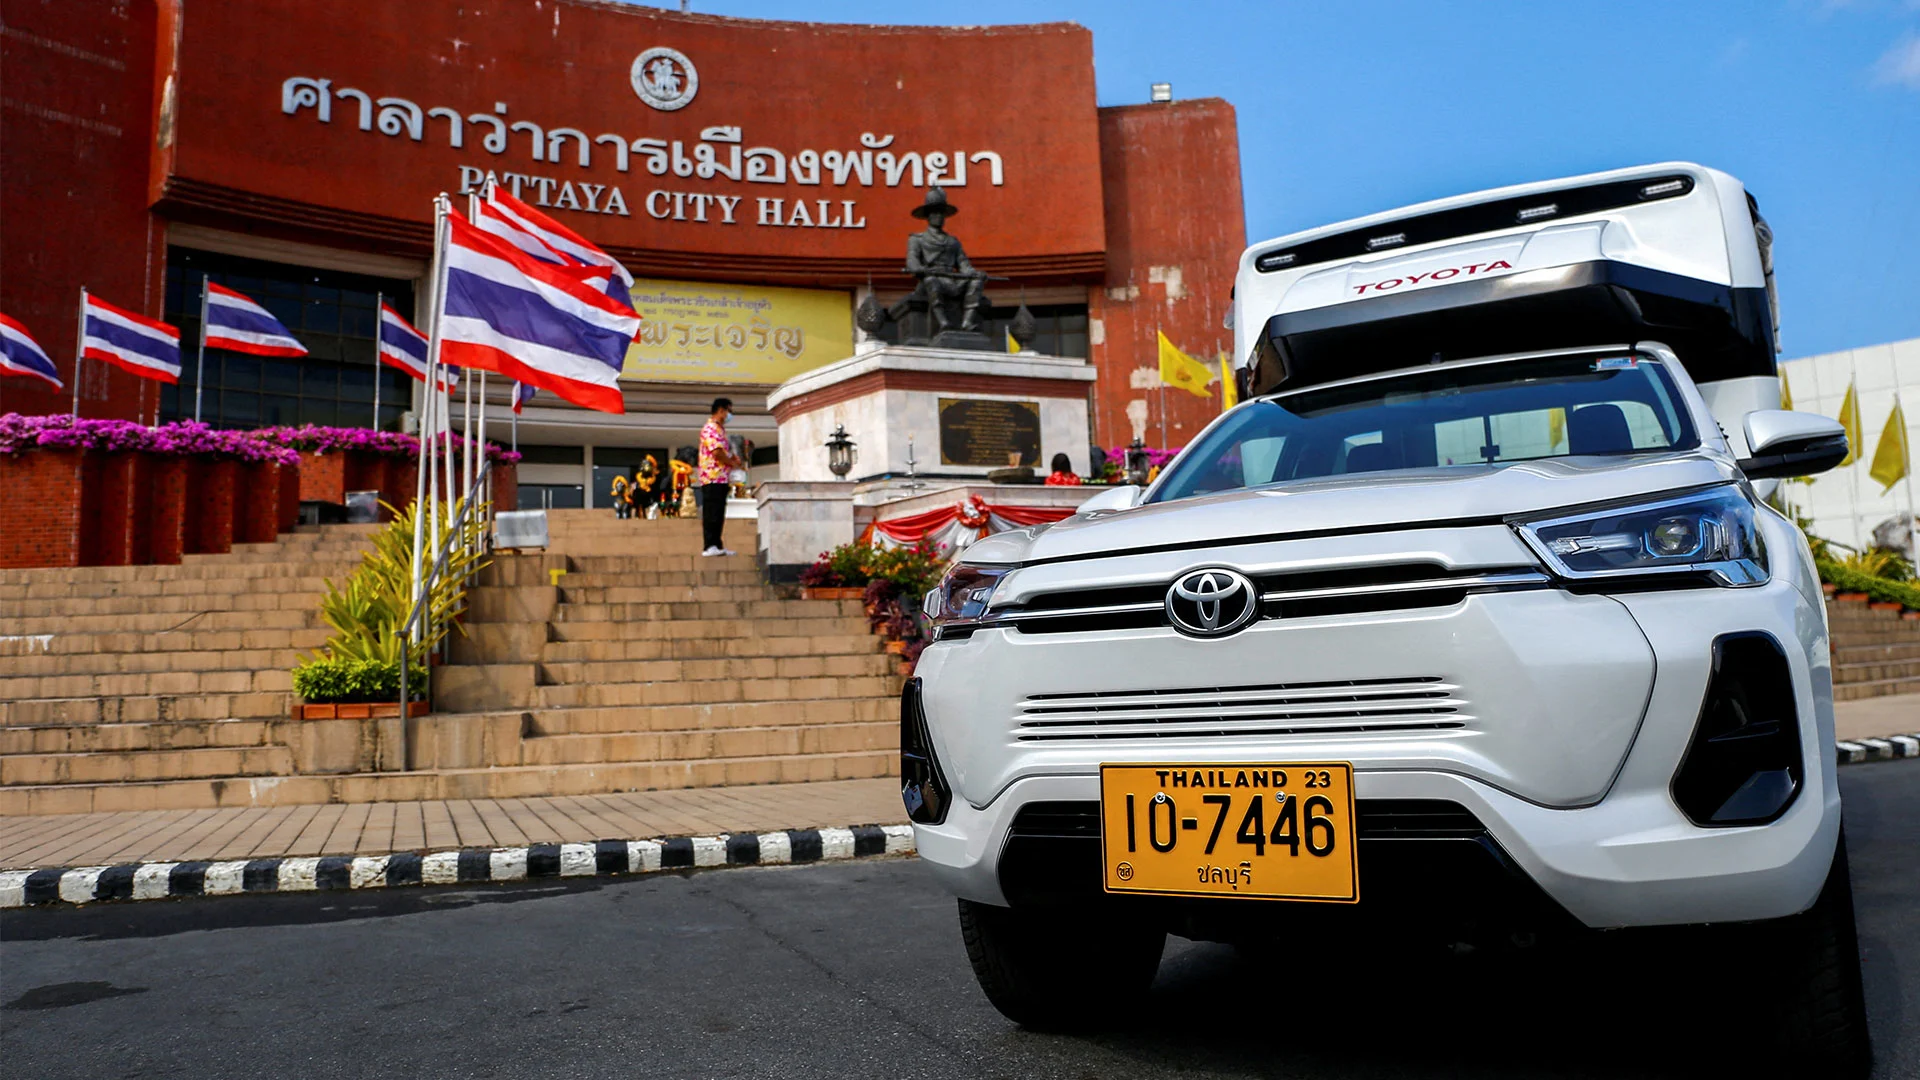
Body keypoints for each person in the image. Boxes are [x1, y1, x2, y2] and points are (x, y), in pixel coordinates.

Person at [696, 397, 745, 556]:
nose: (730, 415)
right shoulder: (710, 428)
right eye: (729, 411)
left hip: (721, 477)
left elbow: (723, 451)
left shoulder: (720, 430)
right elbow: (716, 452)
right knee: (712, 512)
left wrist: (732, 458)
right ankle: (709, 545)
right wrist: (730, 462)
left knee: (718, 512)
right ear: (721, 410)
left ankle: (717, 544)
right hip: (712, 477)